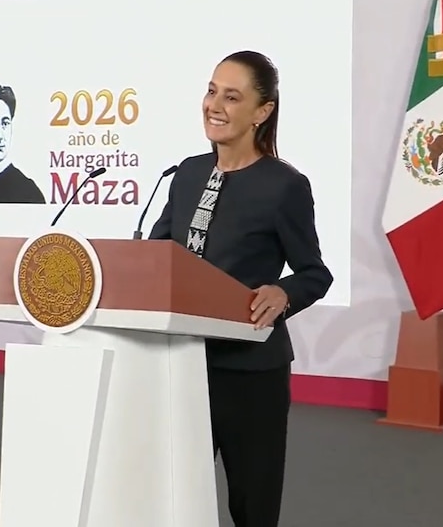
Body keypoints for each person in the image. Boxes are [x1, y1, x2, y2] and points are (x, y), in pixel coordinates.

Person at [148, 50, 333, 526]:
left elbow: (315, 272)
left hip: (249, 372)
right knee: (174, 498)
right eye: (212, 91)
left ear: (262, 111)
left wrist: (284, 293)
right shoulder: (185, 173)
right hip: (179, 365)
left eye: (232, 97)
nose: (215, 104)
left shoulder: (284, 185)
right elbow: (159, 252)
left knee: (251, 503)